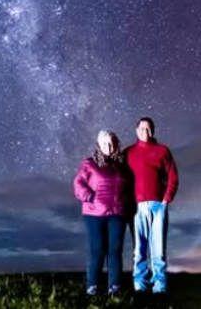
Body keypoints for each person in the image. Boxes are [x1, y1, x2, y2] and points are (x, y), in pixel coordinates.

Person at [72, 129, 133, 297]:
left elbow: (128, 188)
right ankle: (92, 286)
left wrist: (125, 205)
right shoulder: (89, 163)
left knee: (115, 251)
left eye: (112, 142)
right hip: (94, 215)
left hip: (117, 214)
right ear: (99, 144)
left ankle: (115, 287)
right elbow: (78, 184)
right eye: (105, 142)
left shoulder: (121, 165)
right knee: (97, 250)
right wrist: (90, 197)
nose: (109, 146)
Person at [124, 116, 179, 295]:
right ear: (136, 130)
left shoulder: (162, 151)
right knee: (139, 249)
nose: (144, 132)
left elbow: (173, 176)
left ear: (153, 131)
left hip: (158, 205)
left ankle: (159, 286)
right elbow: (120, 179)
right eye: (141, 128)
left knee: (158, 249)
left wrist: (166, 199)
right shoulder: (128, 153)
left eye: (148, 129)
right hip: (136, 207)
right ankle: (140, 285)